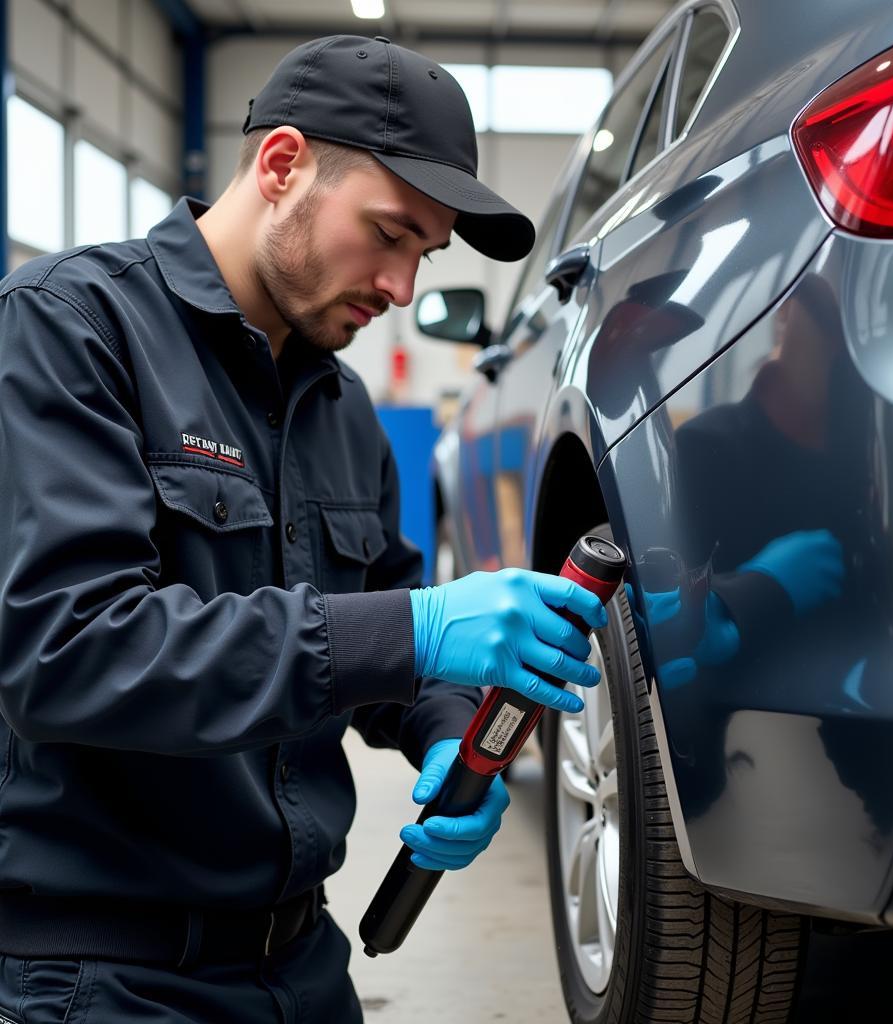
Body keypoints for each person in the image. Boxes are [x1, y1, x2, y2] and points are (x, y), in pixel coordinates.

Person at [0, 35, 608, 1023]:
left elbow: (399, 642)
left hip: (307, 972)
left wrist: (450, 729)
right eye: (390, 232)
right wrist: (408, 628)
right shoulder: (70, 332)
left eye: (425, 253)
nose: (404, 288)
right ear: (281, 166)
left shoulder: (341, 406)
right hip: (107, 978)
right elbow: (64, 651)